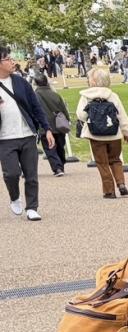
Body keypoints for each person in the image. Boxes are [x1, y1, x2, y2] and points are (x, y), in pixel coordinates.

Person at [0, 43, 54, 221]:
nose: (12, 62)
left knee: (31, 174)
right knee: (11, 173)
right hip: (5, 138)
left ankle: (32, 207)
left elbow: (36, 107)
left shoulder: (21, 82)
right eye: (8, 59)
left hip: (27, 135)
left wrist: (46, 129)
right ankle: (14, 197)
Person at [77, 67, 128, 199]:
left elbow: (81, 115)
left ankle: (109, 190)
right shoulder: (113, 96)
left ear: (94, 81)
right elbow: (122, 116)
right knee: (115, 160)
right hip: (114, 133)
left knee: (102, 163)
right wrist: (126, 132)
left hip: (95, 134)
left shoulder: (86, 96)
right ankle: (121, 183)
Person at [30, 70, 68, 177]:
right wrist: (67, 120)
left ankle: (57, 168)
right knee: (60, 146)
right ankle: (61, 165)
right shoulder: (55, 94)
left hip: (45, 126)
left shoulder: (34, 95)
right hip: (59, 124)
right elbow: (63, 109)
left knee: (50, 148)